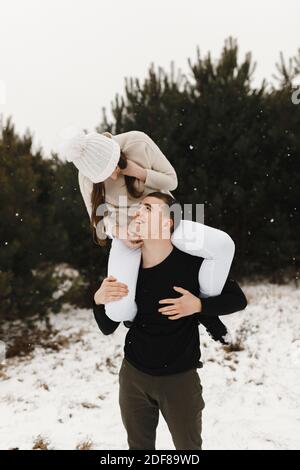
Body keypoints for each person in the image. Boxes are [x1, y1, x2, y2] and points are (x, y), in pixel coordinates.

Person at [93, 192, 248, 450]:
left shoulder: (190, 265)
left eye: (148, 209)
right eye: (139, 208)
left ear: (168, 223)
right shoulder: (128, 267)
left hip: (180, 380)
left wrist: (198, 305)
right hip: (133, 376)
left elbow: (238, 299)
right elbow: (108, 327)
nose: (138, 213)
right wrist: (98, 299)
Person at [59, 128, 235, 343]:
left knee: (223, 245)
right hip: (128, 234)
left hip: (163, 222)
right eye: (105, 176)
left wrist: (138, 172)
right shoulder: (86, 176)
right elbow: (97, 220)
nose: (114, 176)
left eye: (114, 168)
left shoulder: (137, 142)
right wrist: (120, 233)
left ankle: (205, 312)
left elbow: (172, 182)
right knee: (117, 310)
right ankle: (142, 324)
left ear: (117, 153)